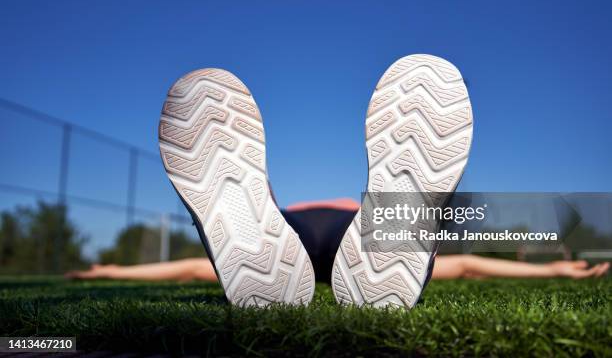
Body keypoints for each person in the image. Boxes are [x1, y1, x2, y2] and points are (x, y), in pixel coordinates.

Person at [66, 199, 610, 282]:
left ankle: (252, 209)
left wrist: (114, 272)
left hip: (289, 238)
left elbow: (189, 267)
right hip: (358, 249)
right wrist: (548, 270)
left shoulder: (292, 225)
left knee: (242, 257)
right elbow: (466, 262)